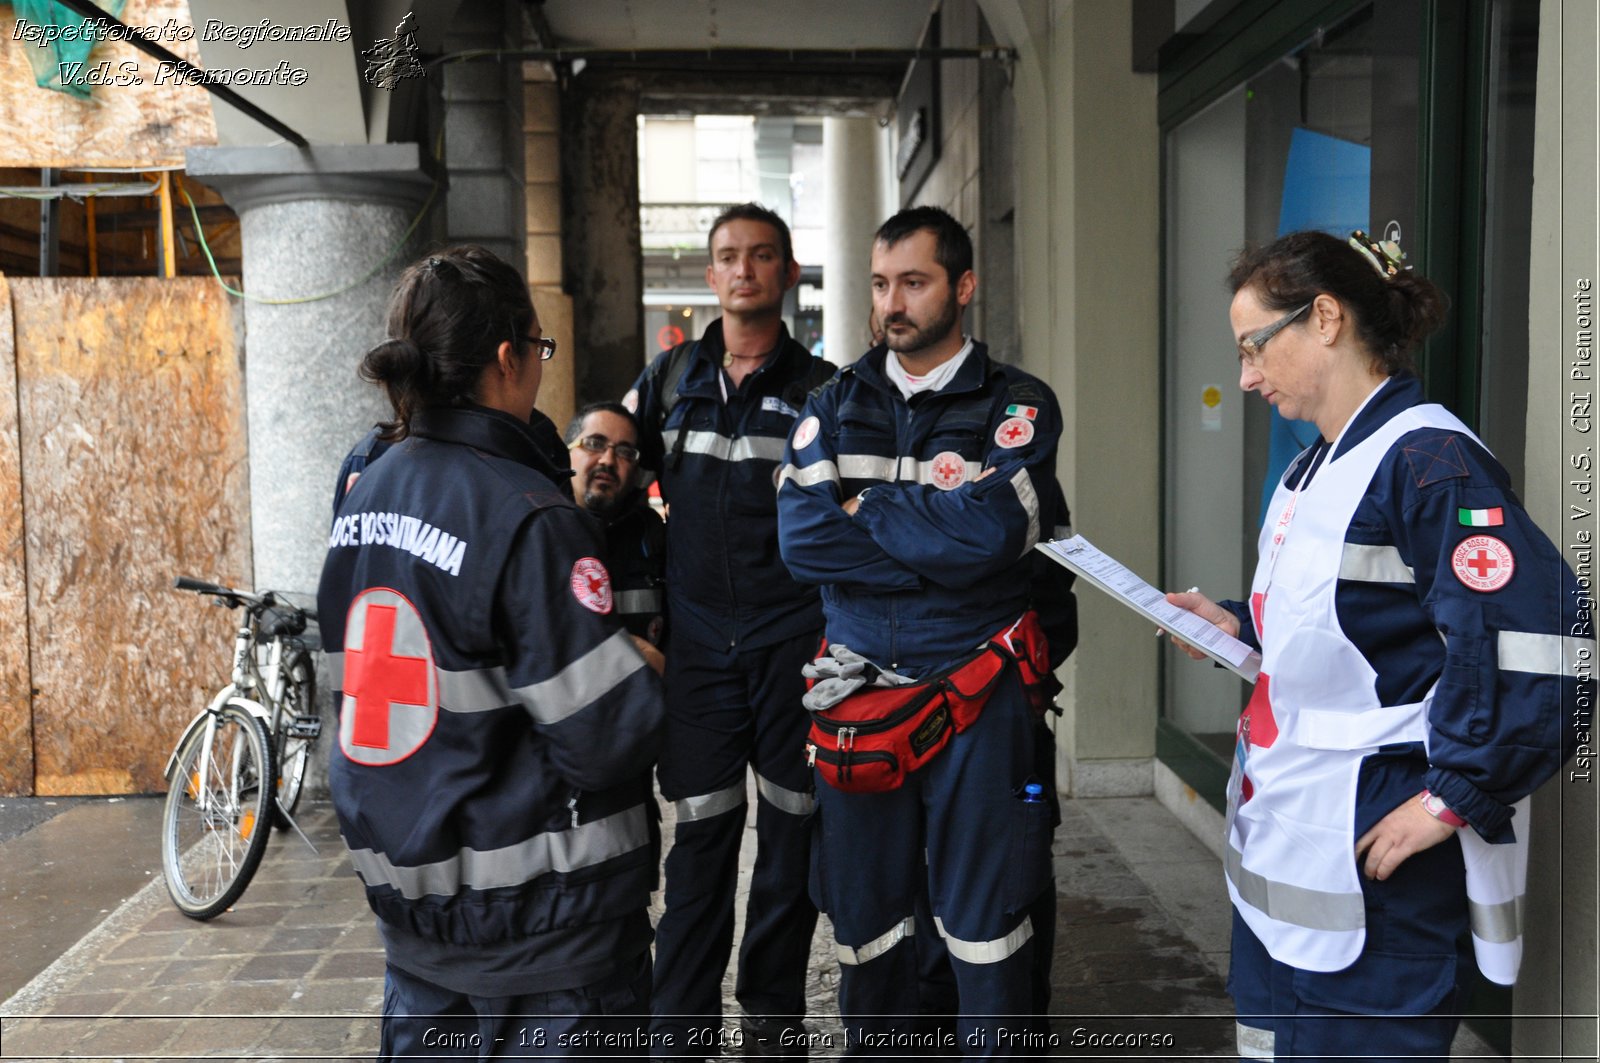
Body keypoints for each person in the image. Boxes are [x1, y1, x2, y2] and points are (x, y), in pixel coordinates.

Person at [1164, 230, 1589, 1062]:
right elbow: (1353, 630)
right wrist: (1237, 629)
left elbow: (1544, 645)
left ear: (1324, 318)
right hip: (1290, 851)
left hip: (1373, 865)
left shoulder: (1432, 462)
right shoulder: (1315, 466)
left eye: (1254, 346)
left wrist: (1454, 794)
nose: (1246, 375)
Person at [318, 246, 665, 1060]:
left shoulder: (365, 495)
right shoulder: (529, 515)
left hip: (417, 932)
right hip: (547, 942)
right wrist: (642, 671)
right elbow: (606, 735)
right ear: (508, 358)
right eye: (539, 349)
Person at [776, 205, 1073, 1056]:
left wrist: (870, 510)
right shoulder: (831, 402)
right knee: (867, 926)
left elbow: (995, 535)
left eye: (913, 281)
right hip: (855, 697)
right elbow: (802, 540)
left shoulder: (1018, 405)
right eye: (879, 284)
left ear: (963, 286)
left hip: (981, 696)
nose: (892, 302)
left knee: (988, 926)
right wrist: (938, 540)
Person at [627, 203, 836, 1059]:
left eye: (760, 256)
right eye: (726, 257)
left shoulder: (826, 391)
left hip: (794, 645)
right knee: (701, 844)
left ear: (788, 273)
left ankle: (773, 1028)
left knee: (790, 846)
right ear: (709, 276)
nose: (742, 269)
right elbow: (613, 481)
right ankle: (680, 1033)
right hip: (701, 652)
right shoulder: (669, 379)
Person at [565, 401, 667, 664]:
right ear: (566, 452)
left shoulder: (651, 535)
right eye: (594, 444)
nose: (608, 460)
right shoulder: (542, 532)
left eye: (624, 451)